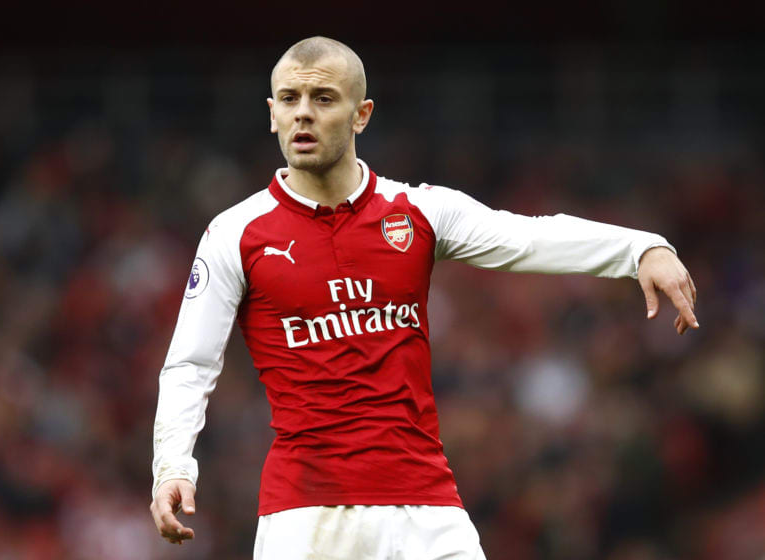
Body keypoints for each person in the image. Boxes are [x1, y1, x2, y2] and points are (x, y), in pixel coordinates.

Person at [149, 36, 698, 559]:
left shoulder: (417, 212)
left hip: (426, 505)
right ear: (272, 113)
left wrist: (641, 249)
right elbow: (190, 365)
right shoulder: (236, 233)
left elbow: (529, 235)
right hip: (305, 511)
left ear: (361, 114)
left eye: (323, 99)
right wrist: (173, 466)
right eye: (290, 100)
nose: (303, 114)